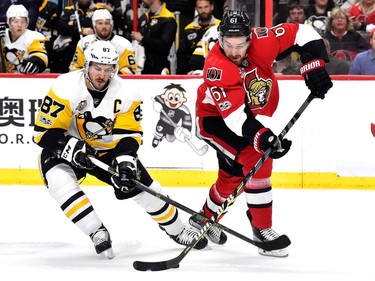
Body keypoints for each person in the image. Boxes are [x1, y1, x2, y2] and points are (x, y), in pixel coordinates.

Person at [33, 40, 208, 259]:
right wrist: (71, 148)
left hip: (108, 151)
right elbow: (43, 132)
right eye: (97, 67)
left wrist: (125, 163)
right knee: (58, 180)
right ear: (86, 66)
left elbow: (129, 135)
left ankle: (178, 230)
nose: (102, 75)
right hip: (68, 146)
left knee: (146, 189)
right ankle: (96, 231)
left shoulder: (127, 92)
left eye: (109, 69)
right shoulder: (65, 86)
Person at [189, 10, 332, 257]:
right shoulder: (216, 67)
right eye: (228, 44)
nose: (234, 51)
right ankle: (262, 229)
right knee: (257, 158)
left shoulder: (263, 39)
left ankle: (203, 220)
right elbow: (235, 118)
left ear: (250, 39)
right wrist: (265, 138)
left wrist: (313, 64)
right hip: (215, 121)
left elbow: (302, 32)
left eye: (240, 44)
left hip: (244, 118)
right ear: (220, 40)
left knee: (232, 176)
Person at [69, 9, 137, 74]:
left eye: (107, 23)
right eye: (100, 23)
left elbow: (130, 70)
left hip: (116, 84)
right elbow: (74, 68)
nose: (104, 26)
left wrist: (109, 78)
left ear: (111, 25)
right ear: (94, 26)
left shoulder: (124, 44)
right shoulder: (84, 43)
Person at [130, 0, 177, 74]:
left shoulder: (168, 18)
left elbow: (164, 46)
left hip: (159, 70)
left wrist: (142, 39)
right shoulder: (144, 17)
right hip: (142, 68)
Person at [1, 4, 48, 74]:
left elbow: (40, 54)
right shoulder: (2, 35)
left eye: (23, 21)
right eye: (16, 21)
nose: (19, 25)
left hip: (26, 80)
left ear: (27, 22)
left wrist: (35, 62)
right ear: (9, 22)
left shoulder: (33, 36)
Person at [176, 0, 220, 74]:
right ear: (196, 9)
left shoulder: (219, 26)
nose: (203, 10)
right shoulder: (188, 28)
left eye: (206, 7)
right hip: (191, 73)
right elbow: (182, 54)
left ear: (212, 7)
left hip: (214, 71)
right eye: (200, 7)